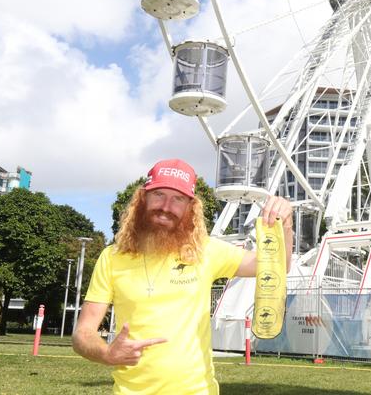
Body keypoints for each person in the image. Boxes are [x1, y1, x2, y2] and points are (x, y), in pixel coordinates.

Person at [72, 158, 293, 394]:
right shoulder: (112, 257)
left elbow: (276, 265)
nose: (166, 206)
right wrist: (107, 353)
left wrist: (286, 224)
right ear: (142, 199)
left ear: (190, 208)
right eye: (158, 194)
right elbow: (83, 333)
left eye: (178, 199)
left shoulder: (205, 251)